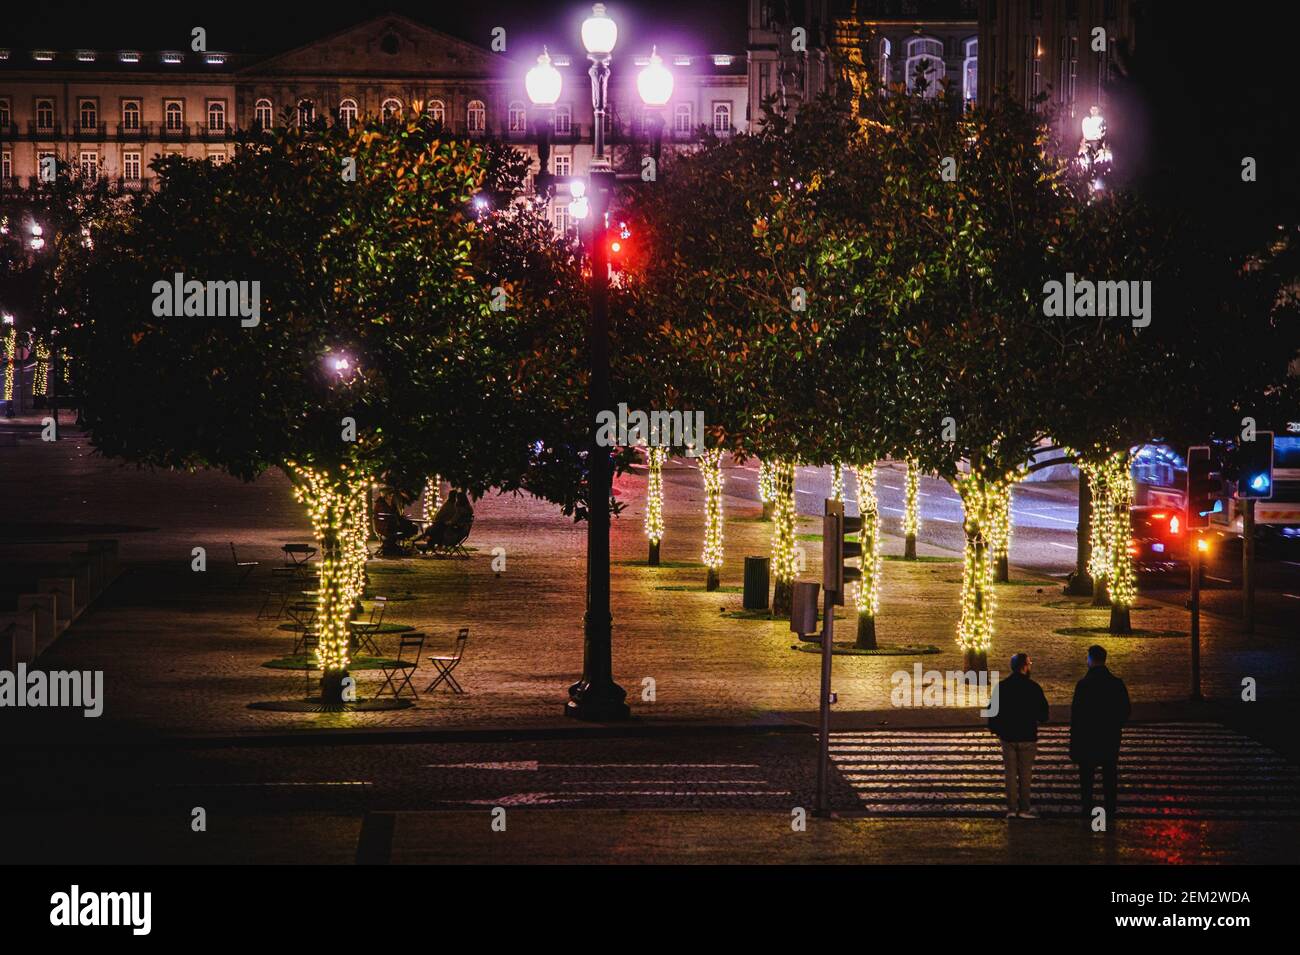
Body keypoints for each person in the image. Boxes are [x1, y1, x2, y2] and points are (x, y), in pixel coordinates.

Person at [1069, 644, 1131, 822]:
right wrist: (1114, 725)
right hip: (1109, 737)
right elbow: (1125, 710)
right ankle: (1110, 809)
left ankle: (1087, 808)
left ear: (1090, 659)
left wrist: (1075, 739)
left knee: (1087, 777)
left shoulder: (1083, 685)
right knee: (1109, 774)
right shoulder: (1116, 684)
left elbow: (1077, 715)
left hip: (1088, 738)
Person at [986, 652, 1050, 819]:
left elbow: (992, 712)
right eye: (1029, 664)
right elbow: (1044, 715)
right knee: (1025, 773)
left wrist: (997, 729)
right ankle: (1024, 808)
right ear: (1024, 667)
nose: (1030, 666)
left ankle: (1012, 808)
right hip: (1027, 735)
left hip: (1008, 736)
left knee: (1010, 773)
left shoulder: (1002, 687)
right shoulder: (1034, 688)